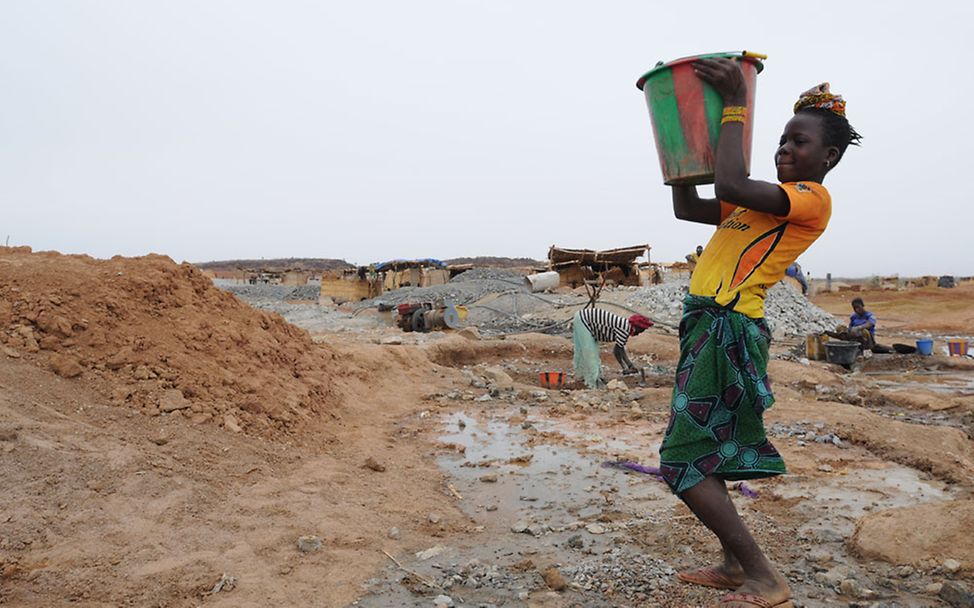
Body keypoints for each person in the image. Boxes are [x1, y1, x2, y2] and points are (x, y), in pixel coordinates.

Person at [659, 63, 861, 608]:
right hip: (707, 325)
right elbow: (688, 205)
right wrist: (677, 136)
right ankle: (731, 564)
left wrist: (733, 104)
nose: (784, 149)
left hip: (729, 328)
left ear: (828, 158)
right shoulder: (754, 203)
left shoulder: (809, 200)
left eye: (799, 141)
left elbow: (728, 182)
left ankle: (763, 577)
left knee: (681, 459)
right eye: (781, 139)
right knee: (712, 451)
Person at [572, 307, 653, 388]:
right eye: (640, 331)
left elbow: (621, 348)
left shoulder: (625, 326)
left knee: (593, 352)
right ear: (637, 327)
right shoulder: (625, 329)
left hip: (586, 319)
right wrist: (625, 367)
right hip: (584, 320)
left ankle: (592, 377)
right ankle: (593, 382)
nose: (638, 334)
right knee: (589, 353)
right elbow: (617, 351)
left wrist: (629, 366)